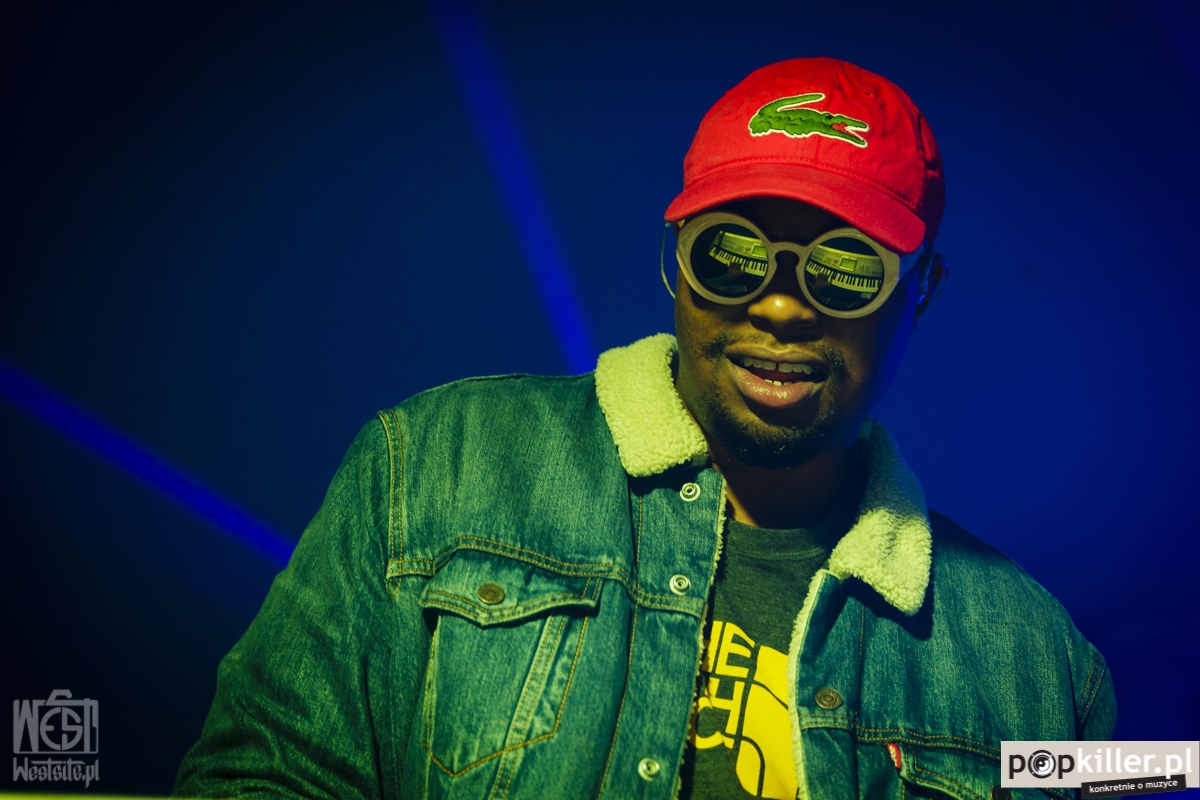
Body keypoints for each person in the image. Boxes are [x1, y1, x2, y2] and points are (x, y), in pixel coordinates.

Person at [174, 57, 1115, 800]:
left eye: (843, 270)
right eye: (734, 255)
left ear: (922, 292)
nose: (781, 306)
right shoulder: (431, 468)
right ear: (676, 262)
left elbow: (1157, 777)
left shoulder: (1037, 660)